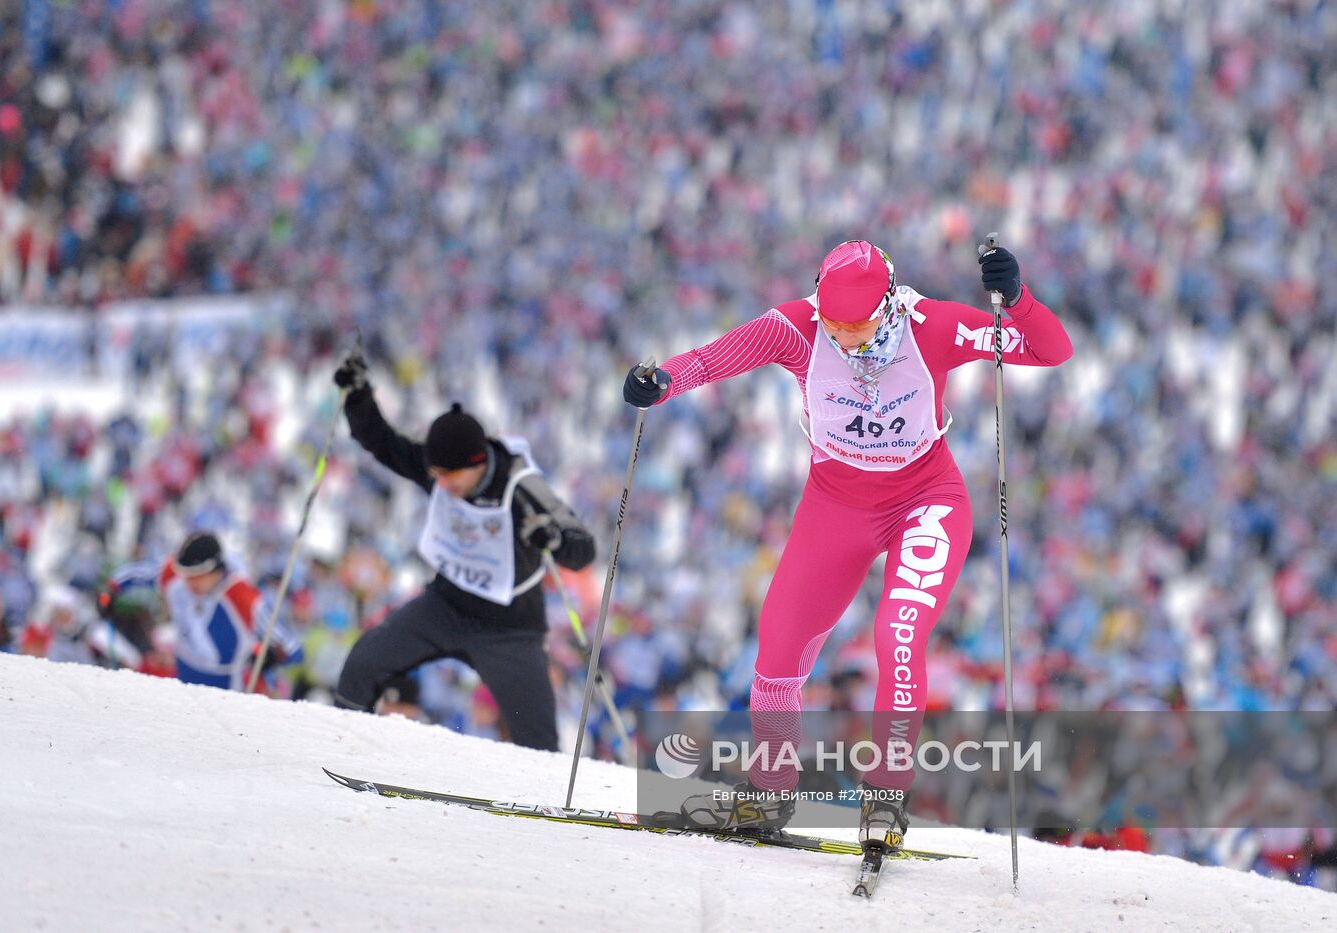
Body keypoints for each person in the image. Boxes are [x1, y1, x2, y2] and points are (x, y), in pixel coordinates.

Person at [624, 239, 1072, 854]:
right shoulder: (798, 327)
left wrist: (1016, 299)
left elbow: (1051, 350)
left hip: (926, 501)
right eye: (833, 323)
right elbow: (715, 358)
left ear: (887, 304)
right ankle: (769, 792)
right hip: (836, 505)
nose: (844, 339)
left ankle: (886, 798)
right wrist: (662, 381)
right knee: (777, 647)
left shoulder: (932, 326)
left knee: (898, 638)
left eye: (856, 327)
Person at [331, 349, 597, 751]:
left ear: (477, 463)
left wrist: (554, 540)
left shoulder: (519, 485)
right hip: (445, 606)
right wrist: (357, 396)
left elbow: (583, 547)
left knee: (538, 736)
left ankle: (541, 804)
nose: (442, 484)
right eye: (435, 474)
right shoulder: (442, 468)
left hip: (510, 626)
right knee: (362, 664)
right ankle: (343, 748)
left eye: (451, 475)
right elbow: (384, 444)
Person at [103, 532, 302, 691]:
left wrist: (272, 656)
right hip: (182, 672)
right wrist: (109, 591)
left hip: (224, 686)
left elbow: (292, 648)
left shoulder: (241, 596)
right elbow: (136, 575)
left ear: (216, 570)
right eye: (186, 576)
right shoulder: (176, 577)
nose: (189, 582)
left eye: (197, 576)